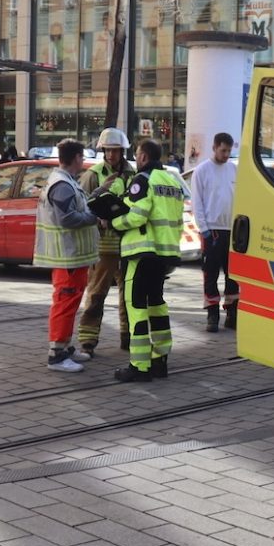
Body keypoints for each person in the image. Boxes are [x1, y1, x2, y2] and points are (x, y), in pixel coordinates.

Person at [111, 139, 185, 382]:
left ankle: (139, 366)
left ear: (143, 156)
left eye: (137, 154)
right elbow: (177, 219)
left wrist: (114, 222)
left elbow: (137, 216)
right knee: (156, 306)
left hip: (141, 254)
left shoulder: (142, 180)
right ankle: (159, 361)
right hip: (164, 255)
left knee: (136, 308)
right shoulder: (172, 182)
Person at [33, 139, 100, 373]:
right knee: (65, 303)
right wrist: (93, 218)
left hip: (72, 257)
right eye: (82, 157)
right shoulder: (62, 184)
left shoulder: (66, 181)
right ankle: (57, 355)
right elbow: (68, 218)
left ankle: (64, 347)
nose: (83, 161)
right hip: (67, 256)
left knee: (70, 303)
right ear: (77, 158)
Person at [76, 127, 135, 357]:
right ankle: (87, 341)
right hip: (103, 247)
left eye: (115, 150)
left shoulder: (133, 175)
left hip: (128, 244)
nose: (111, 155)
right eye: (108, 150)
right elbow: (81, 206)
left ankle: (128, 337)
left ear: (122, 151)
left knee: (129, 296)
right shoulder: (93, 175)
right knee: (96, 295)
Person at [191, 132, 239, 333]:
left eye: (229, 151)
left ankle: (232, 313)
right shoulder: (202, 171)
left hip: (232, 230)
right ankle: (212, 315)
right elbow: (197, 203)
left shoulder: (234, 170)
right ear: (214, 148)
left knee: (233, 275)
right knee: (210, 275)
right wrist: (204, 229)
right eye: (223, 150)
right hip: (212, 230)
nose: (226, 154)